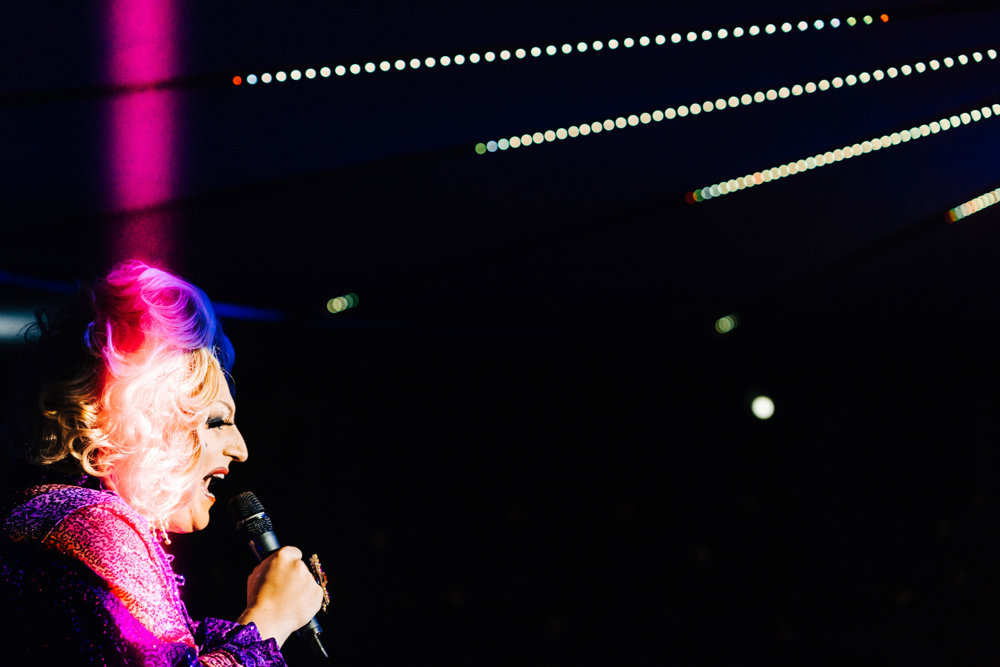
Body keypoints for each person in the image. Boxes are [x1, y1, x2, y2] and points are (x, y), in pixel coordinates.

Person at [0, 260, 324, 665]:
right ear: (149, 418)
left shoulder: (45, 512)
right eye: (217, 421)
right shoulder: (94, 525)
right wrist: (270, 620)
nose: (240, 449)